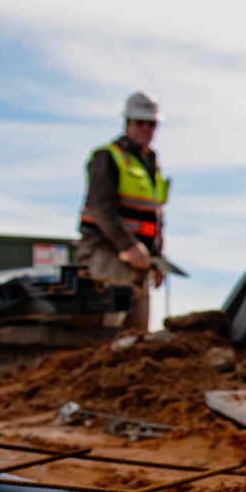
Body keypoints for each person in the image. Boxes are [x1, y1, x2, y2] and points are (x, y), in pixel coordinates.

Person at [78, 91, 172, 330]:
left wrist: (158, 258)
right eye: (139, 122)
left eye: (151, 124)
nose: (146, 129)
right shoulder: (108, 157)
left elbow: (155, 218)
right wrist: (128, 245)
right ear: (127, 123)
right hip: (108, 256)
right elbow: (101, 208)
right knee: (105, 332)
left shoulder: (152, 164)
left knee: (137, 336)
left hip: (142, 262)